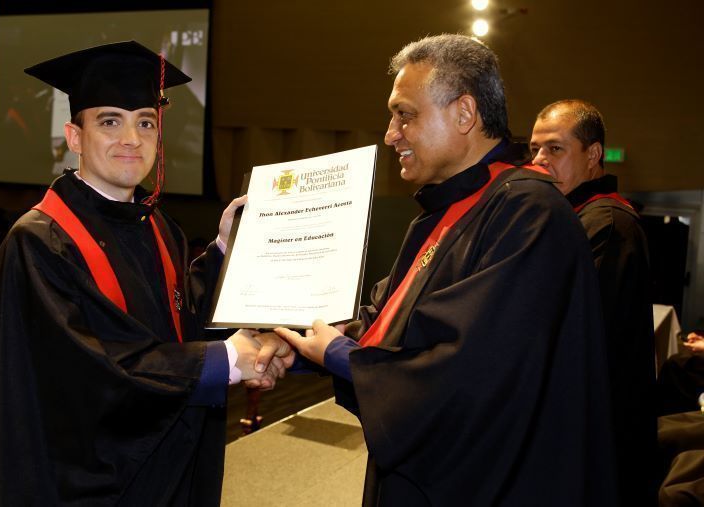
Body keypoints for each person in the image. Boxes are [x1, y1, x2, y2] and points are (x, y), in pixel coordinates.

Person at [276, 34, 618, 506]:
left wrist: (339, 355)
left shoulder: (529, 212)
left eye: (405, 114)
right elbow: (385, 323)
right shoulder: (448, 210)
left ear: (464, 113)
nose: (391, 133)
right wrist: (290, 345)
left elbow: (471, 370)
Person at [0, 41, 292, 506]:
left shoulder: (158, 227)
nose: (131, 138)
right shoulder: (40, 241)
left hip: (165, 473)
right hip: (83, 484)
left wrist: (224, 253)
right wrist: (225, 362)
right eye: (110, 121)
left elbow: (175, 320)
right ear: (74, 137)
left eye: (146, 122)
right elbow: (89, 373)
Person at [530, 99, 657, 506]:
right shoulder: (574, 216)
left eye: (554, 148)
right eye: (534, 149)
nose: (538, 160)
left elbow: (580, 331)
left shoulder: (608, 222)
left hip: (600, 429)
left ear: (594, 154)